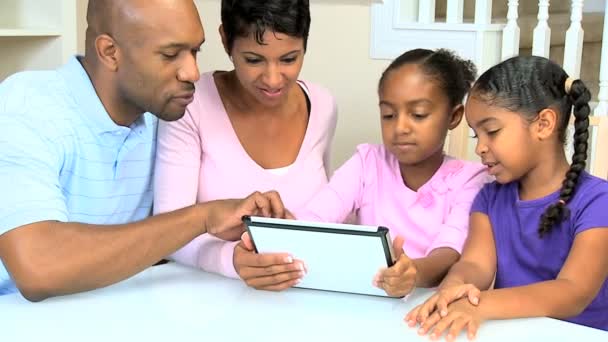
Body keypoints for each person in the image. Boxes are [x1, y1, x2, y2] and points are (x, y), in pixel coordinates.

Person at [0, 0, 290, 301]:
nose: (192, 72)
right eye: (170, 55)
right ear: (110, 52)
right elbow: (38, 265)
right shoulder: (25, 107)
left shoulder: (163, 115)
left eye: (195, 51)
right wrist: (201, 218)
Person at [406, 55, 608, 339]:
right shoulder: (488, 198)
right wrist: (454, 288)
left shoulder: (598, 201)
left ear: (544, 124)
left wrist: (482, 304)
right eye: (477, 136)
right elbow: (475, 264)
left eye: (492, 131)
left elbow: (573, 292)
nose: (480, 149)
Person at [153, 0, 337, 292]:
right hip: (207, 303)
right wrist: (232, 260)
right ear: (226, 39)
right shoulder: (191, 104)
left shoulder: (322, 105)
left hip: (306, 298)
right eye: (254, 60)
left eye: (289, 59)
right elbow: (166, 232)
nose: (273, 79)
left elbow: (328, 215)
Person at [290, 49, 489, 297]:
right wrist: (287, 233)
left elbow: (449, 251)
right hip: (365, 302)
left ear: (454, 116)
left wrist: (412, 272)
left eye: (418, 115)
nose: (400, 127)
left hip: (427, 311)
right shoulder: (366, 163)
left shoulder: (471, 180)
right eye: (388, 115)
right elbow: (316, 216)